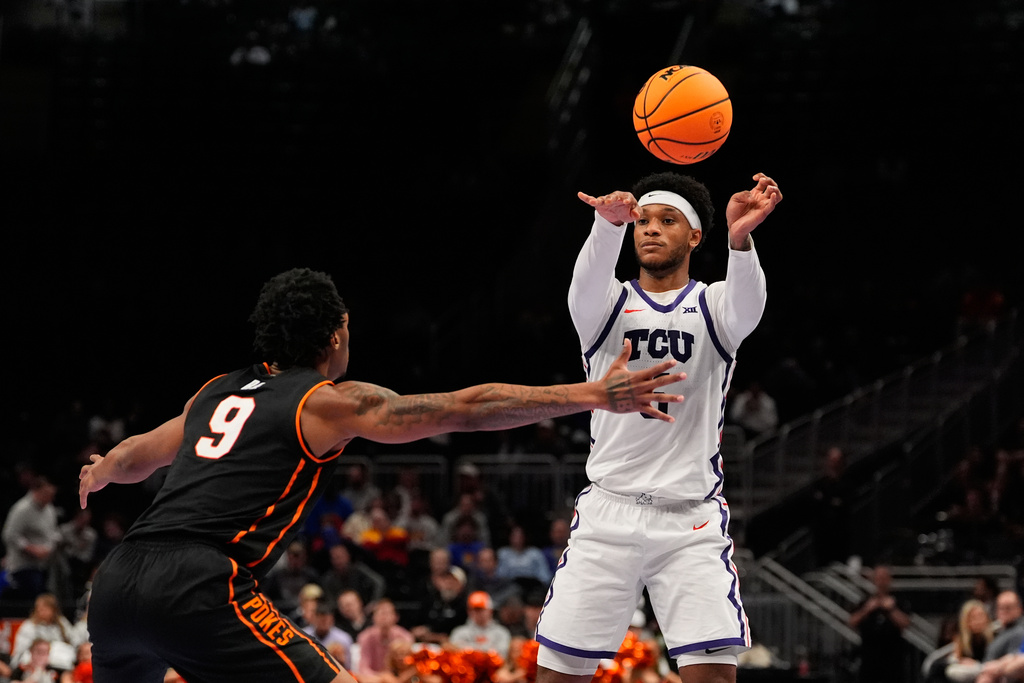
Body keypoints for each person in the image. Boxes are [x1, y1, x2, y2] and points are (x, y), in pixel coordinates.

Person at [77, 267, 683, 683]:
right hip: (199, 582)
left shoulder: (215, 392)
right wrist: (592, 394)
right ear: (337, 331)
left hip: (117, 580)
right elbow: (464, 408)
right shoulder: (324, 401)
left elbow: (135, 457)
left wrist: (99, 473)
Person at [536, 171, 782, 683]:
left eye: (667, 220)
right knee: (558, 675)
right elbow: (583, 284)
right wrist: (607, 225)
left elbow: (750, 304)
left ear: (694, 236)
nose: (649, 229)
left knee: (713, 675)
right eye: (643, 221)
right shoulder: (604, 307)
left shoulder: (715, 305)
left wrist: (740, 240)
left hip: (688, 520)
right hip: (608, 513)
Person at [848, 565, 912, 683]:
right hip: (869, 657)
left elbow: (905, 623)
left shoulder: (899, 600)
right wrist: (867, 610)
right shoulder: (865, 601)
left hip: (893, 658)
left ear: (889, 580)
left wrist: (891, 609)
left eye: (884, 578)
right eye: (878, 578)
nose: (881, 582)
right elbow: (852, 621)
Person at [1, 475, 61, 601]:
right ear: (36, 491)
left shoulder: (49, 510)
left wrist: (48, 548)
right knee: (31, 595)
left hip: (45, 563)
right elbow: (9, 535)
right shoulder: (21, 509)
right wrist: (30, 548)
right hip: (23, 564)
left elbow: (53, 534)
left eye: (51, 495)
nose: (49, 498)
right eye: (46, 494)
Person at [355, 599, 413, 683]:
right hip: (374, 680)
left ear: (396, 617)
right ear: (373, 617)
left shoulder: (405, 637)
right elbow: (363, 667)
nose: (384, 617)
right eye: (381, 613)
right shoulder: (365, 637)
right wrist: (381, 679)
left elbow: (409, 666)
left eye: (388, 613)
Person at [449, 591, 513, 658]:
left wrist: (470, 651)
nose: (477, 613)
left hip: (493, 667)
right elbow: (456, 653)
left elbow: (501, 654)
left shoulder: (501, 632)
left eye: (481, 609)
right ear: (468, 611)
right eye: (473, 610)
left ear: (490, 611)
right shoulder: (459, 632)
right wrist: (487, 651)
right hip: (466, 667)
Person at [945, 599, 996, 682]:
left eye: (980, 616)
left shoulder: (995, 637)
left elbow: (997, 664)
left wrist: (976, 665)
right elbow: (956, 659)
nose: (978, 621)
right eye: (973, 617)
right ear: (966, 621)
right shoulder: (961, 639)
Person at [303, 601, 354, 669]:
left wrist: (340, 660)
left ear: (332, 619)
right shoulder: (303, 636)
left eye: (327, 620)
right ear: (314, 618)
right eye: (321, 620)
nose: (324, 623)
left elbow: (348, 667)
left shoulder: (343, 638)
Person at [986, 591, 1024, 662]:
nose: (1003, 612)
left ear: (1020, 609)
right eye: (1000, 608)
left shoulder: (1019, 632)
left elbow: (1014, 662)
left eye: (1008, 608)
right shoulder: (1000, 629)